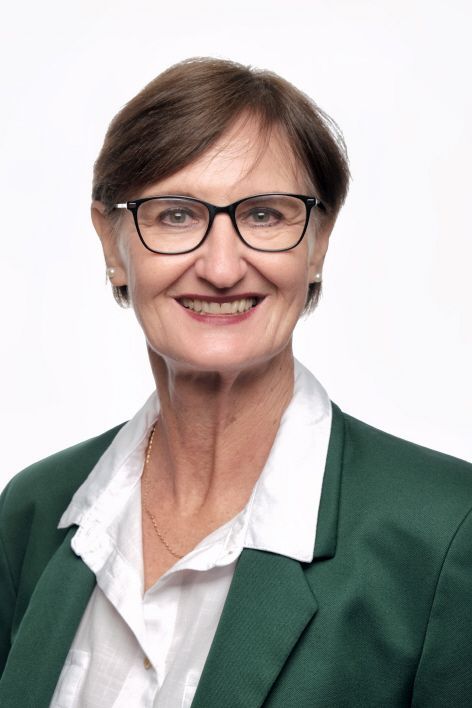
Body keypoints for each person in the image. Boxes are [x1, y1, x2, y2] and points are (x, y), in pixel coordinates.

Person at [1, 56, 472, 708]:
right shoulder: (33, 512)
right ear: (112, 245)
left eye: (265, 215)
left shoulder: (446, 533)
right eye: (175, 215)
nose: (222, 268)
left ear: (318, 243)